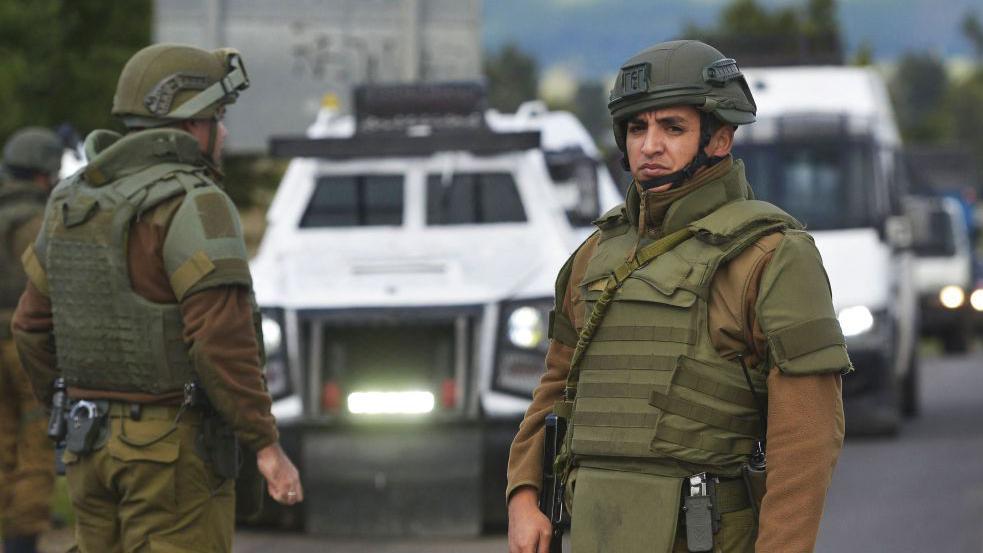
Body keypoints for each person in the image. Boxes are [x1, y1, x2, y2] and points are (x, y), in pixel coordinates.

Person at [506, 40, 849, 553]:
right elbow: (557, 384)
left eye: (673, 128)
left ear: (720, 137)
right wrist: (524, 494)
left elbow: (807, 438)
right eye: (637, 128)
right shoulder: (596, 253)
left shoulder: (771, 256)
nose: (649, 145)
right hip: (596, 532)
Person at [11, 43, 303, 553]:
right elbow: (220, 338)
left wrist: (70, 409)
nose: (225, 131)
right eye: (219, 115)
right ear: (191, 123)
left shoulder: (70, 200)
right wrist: (266, 444)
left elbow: (30, 327)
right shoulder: (196, 203)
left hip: (89, 445)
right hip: (171, 453)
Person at [0, 127, 62, 553]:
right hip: (25, 346)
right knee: (36, 447)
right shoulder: (38, 223)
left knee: (2, 443)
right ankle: (22, 542)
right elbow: (54, 288)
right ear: (45, 175)